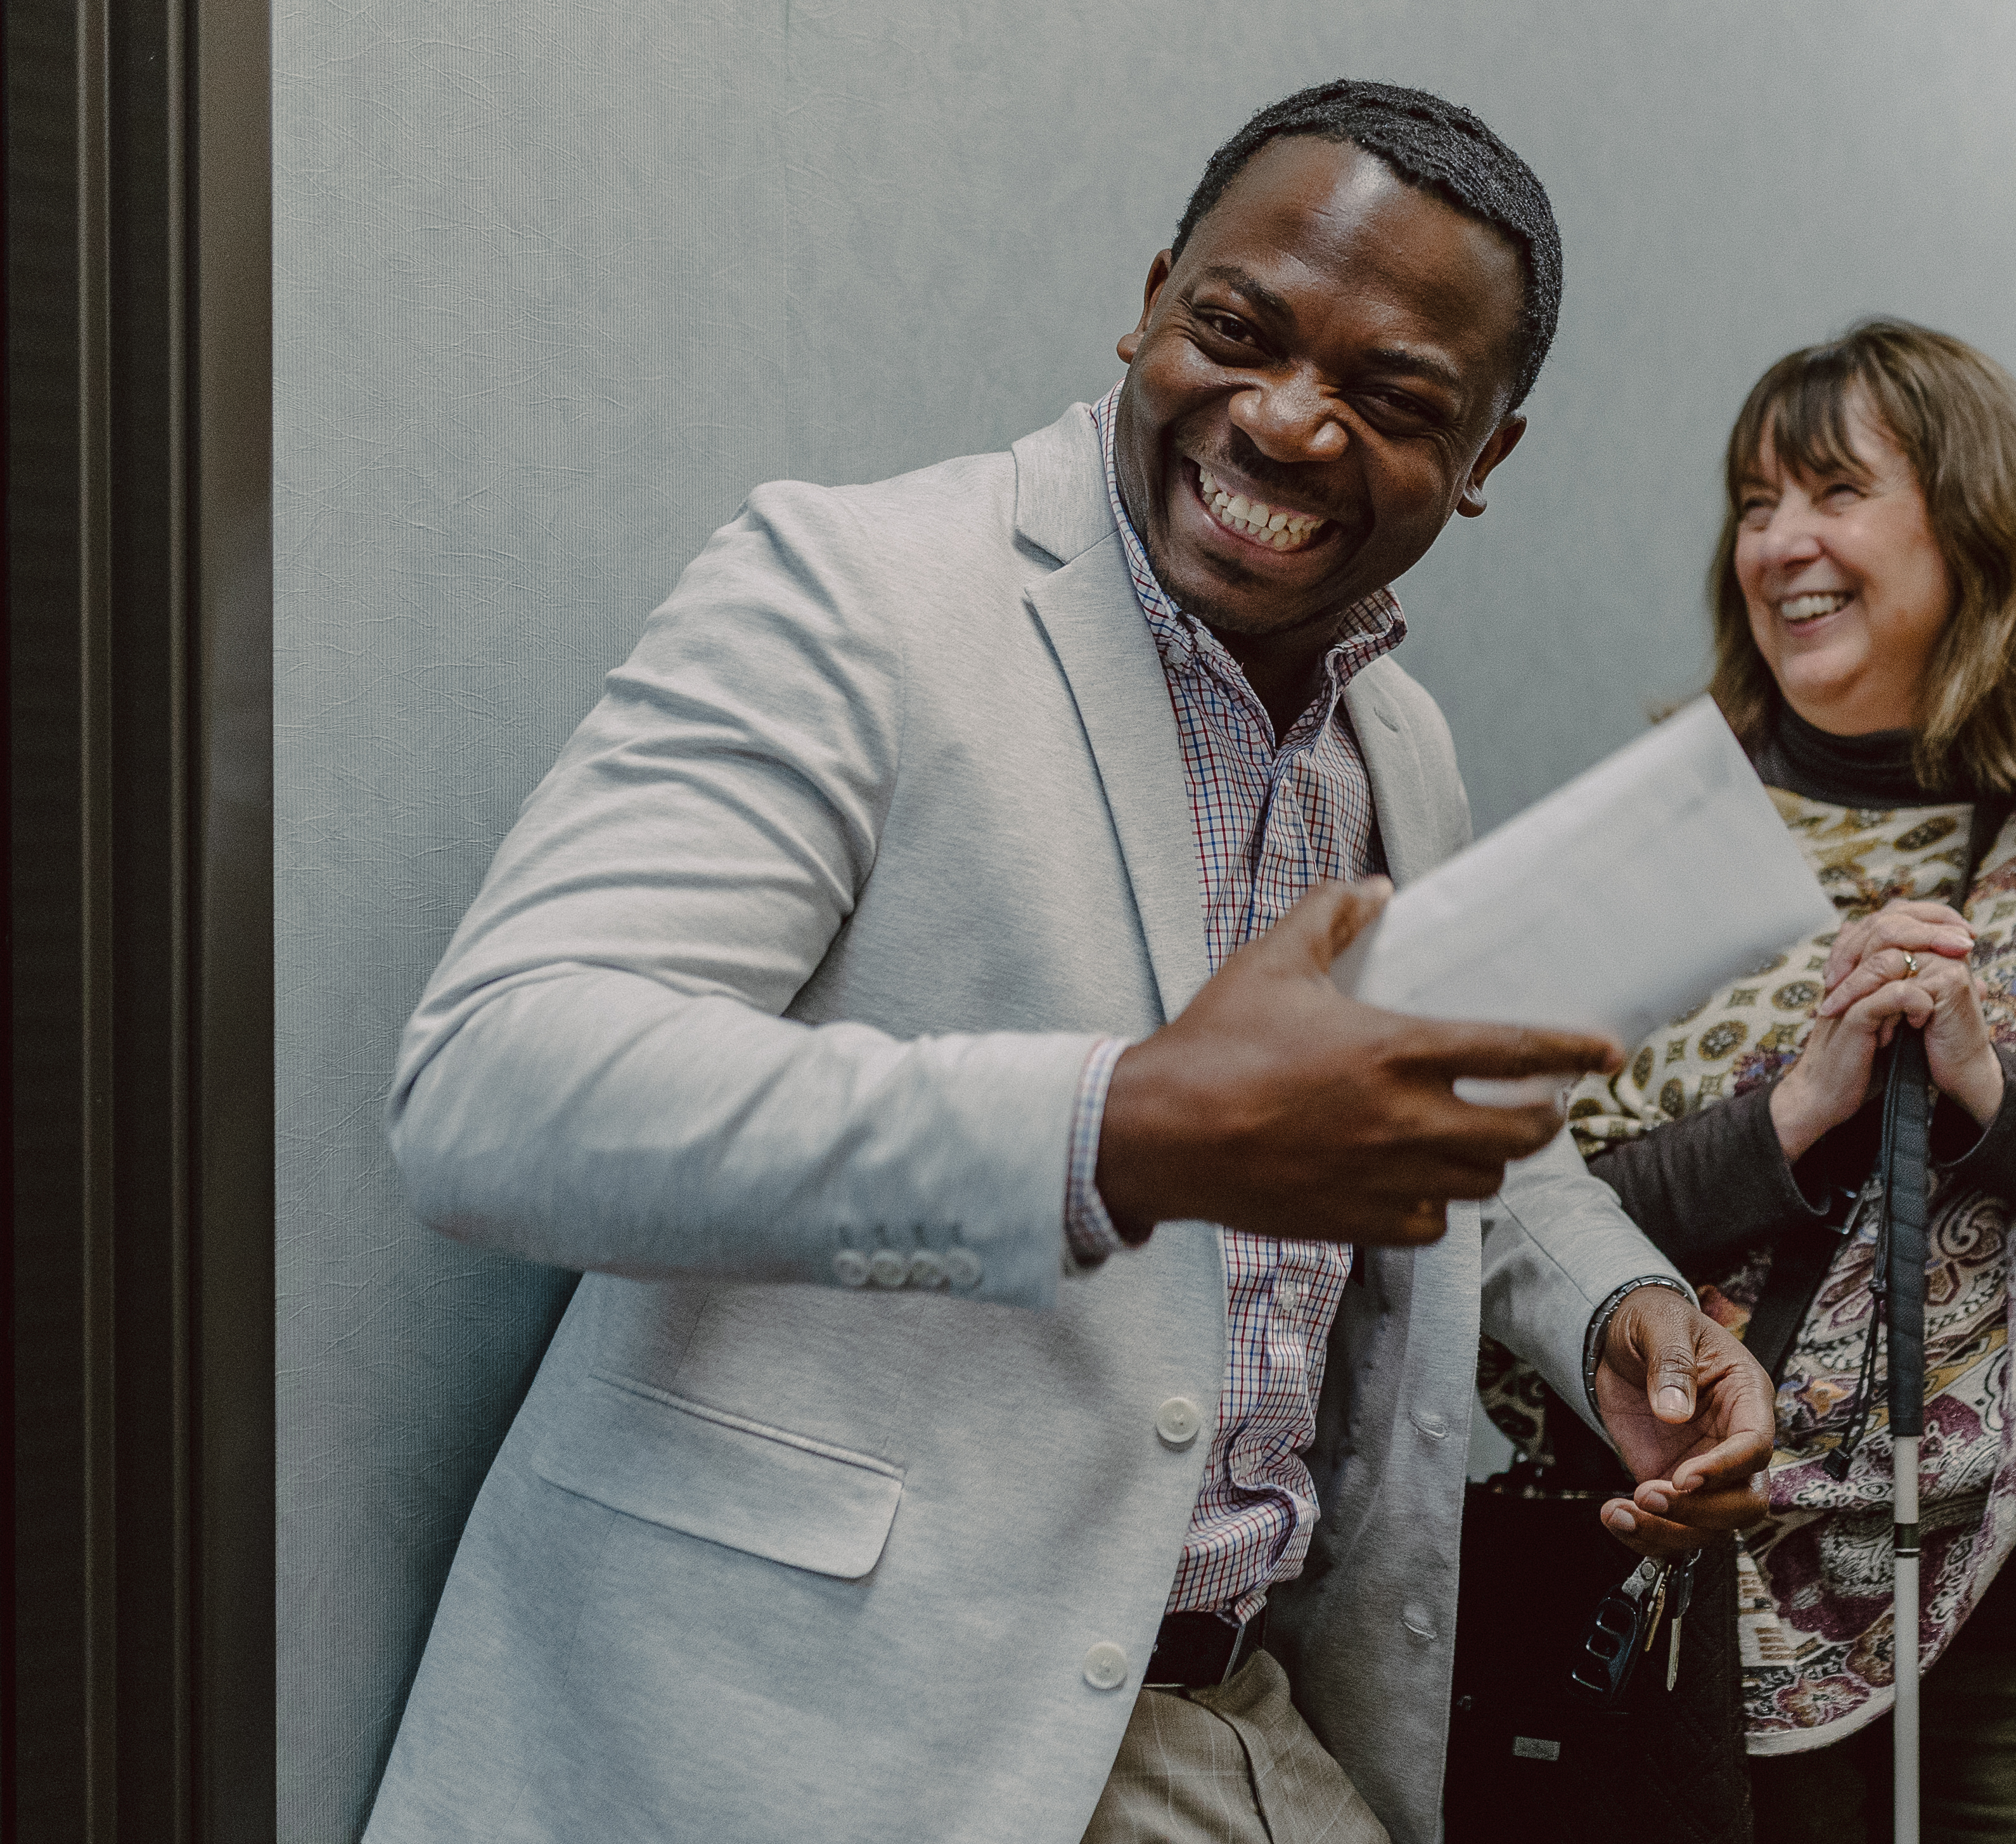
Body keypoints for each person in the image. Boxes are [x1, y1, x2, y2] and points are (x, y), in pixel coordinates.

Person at [364, 80, 1773, 1844]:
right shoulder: (852, 591)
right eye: (1235, 329)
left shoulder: (1392, 743)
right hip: (806, 1729)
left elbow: (1439, 1106)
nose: (1282, 421)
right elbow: (494, 1084)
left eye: (1390, 399)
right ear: (1151, 294)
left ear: (1482, 459)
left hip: (1234, 1704)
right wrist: (1111, 1127)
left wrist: (1612, 1315)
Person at [1481, 320, 2016, 1843]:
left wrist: (1992, 1100)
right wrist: (1795, 1114)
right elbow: (1522, 1219)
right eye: (1752, 503)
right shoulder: (1658, 843)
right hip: (1718, 1593)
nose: (1779, 544)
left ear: (1978, 527)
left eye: (1831, 491)